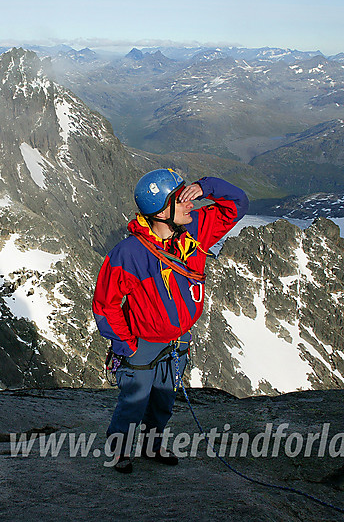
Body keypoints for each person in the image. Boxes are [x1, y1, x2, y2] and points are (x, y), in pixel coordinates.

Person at [93, 168, 248, 473]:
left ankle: (152, 444)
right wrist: (125, 344)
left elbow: (238, 203)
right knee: (134, 401)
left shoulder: (197, 230)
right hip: (143, 344)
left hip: (178, 340)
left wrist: (204, 187)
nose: (191, 204)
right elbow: (105, 303)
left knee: (164, 398)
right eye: (182, 198)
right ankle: (119, 448)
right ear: (163, 211)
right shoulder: (130, 253)